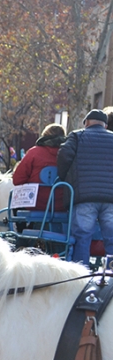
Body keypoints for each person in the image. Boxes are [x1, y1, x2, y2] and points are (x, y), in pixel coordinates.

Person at [57, 109, 113, 265]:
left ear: (87, 123)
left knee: (82, 237)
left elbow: (63, 157)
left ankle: (82, 276)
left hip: (84, 198)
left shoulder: (77, 136)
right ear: (105, 125)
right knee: (111, 238)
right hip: (110, 200)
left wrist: (65, 177)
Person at [12, 123, 66, 212]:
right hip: (61, 205)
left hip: (34, 202)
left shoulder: (34, 152)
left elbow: (17, 180)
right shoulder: (69, 154)